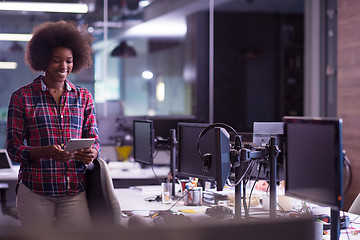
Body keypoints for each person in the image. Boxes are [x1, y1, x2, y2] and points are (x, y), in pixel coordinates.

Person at [6, 20, 100, 229]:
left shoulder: (83, 97)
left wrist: (92, 153)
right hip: (35, 191)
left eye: (69, 60)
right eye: (57, 60)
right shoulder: (22, 97)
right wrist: (45, 152)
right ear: (44, 60)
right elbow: (13, 149)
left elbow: (95, 141)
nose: (64, 66)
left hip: (74, 190)